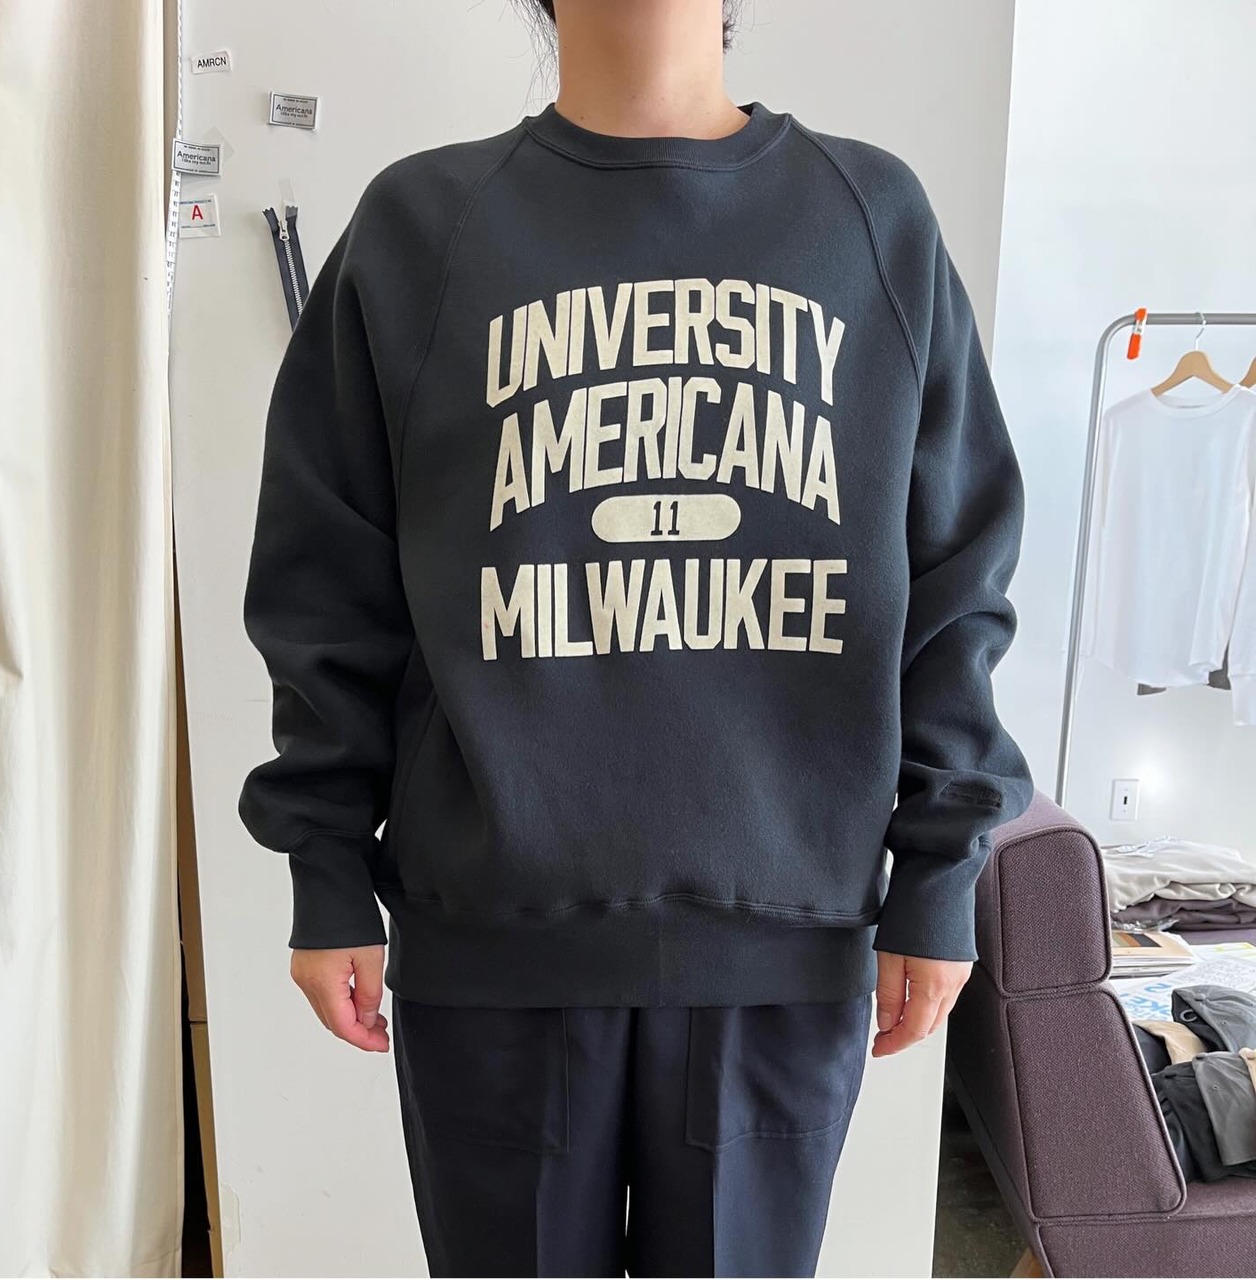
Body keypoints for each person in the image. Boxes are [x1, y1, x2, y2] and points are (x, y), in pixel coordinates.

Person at [237, 1, 1034, 1274]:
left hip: (781, 944)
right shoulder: (421, 227)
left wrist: (940, 872)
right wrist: (323, 861)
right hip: (491, 942)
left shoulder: (869, 219)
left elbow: (954, 577)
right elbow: (326, 580)